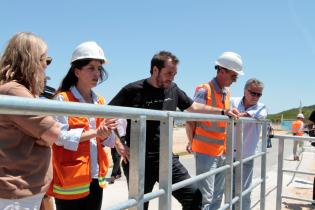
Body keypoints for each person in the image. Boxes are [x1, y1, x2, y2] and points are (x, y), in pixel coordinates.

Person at [109, 51, 239, 210]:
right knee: (139, 206)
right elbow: (107, 115)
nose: (172, 77)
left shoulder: (173, 89)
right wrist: (118, 143)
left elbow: (194, 107)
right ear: (155, 70)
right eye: (169, 73)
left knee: (194, 197)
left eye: (174, 74)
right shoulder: (132, 90)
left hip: (166, 157)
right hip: (137, 159)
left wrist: (223, 112)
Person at [47, 41, 118, 210]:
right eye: (91, 68)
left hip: (96, 178)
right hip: (70, 180)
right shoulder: (63, 99)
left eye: (99, 68)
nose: (97, 73)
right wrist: (96, 133)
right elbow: (59, 138)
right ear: (77, 71)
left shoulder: (99, 101)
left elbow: (109, 142)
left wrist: (107, 133)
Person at [0, 32, 60, 210]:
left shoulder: (14, 89)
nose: (46, 66)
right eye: (45, 60)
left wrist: (39, 136)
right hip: (16, 192)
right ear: (30, 60)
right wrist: (42, 137)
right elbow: (53, 133)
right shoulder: (13, 91)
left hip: (22, 188)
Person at [186, 51, 244, 210]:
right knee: (206, 197)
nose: (235, 80)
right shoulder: (205, 90)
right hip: (205, 151)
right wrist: (191, 142)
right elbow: (191, 117)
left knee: (218, 195)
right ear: (222, 70)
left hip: (221, 151)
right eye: (234, 76)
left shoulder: (227, 92)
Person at [230, 78, 267, 210]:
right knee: (228, 192)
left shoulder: (261, 107)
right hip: (227, 154)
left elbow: (254, 115)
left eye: (259, 94)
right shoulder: (232, 101)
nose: (256, 97)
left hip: (246, 155)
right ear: (245, 91)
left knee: (244, 192)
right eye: (253, 93)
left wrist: (236, 115)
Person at [109, 119, 127, 184]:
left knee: (117, 157)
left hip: (121, 136)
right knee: (114, 156)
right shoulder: (112, 114)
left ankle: (113, 176)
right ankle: (119, 173)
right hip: (112, 136)